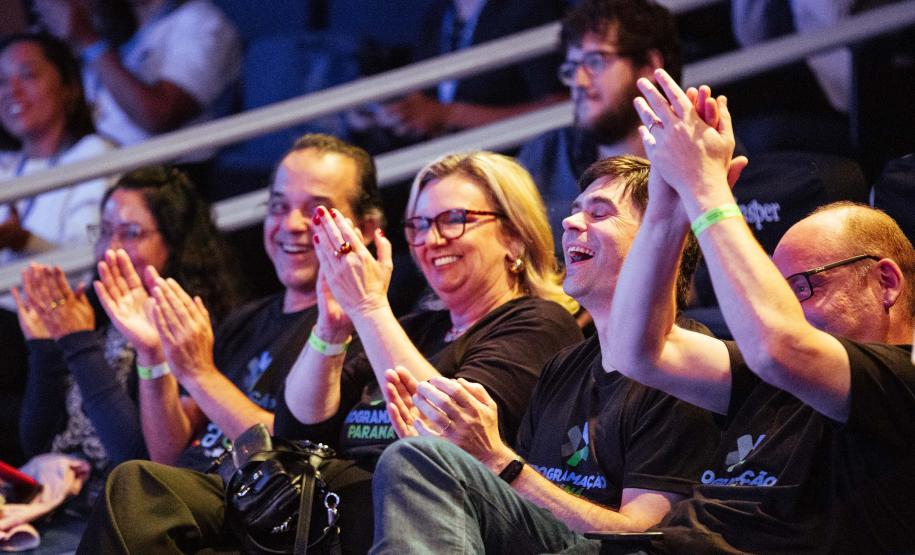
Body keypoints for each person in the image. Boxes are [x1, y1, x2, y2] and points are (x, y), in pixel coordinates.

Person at [78, 151, 583, 554]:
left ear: (515, 237)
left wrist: (368, 306)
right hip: (311, 503)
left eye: (454, 219)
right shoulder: (417, 326)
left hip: (398, 512)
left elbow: (448, 437)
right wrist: (328, 327)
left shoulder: (537, 322)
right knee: (138, 488)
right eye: (419, 224)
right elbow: (299, 430)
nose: (431, 239)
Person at [603, 69, 915, 552]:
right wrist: (670, 204)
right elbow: (640, 351)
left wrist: (707, 188)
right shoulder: (772, 377)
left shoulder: (900, 379)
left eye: (802, 286)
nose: (781, 307)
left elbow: (778, 346)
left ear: (886, 281)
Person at [371, 149, 743, 552]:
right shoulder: (564, 366)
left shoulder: (691, 373)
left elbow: (643, 538)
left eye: (599, 213)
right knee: (420, 460)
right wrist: (463, 458)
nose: (568, 222)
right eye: (574, 210)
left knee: (418, 461)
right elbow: (522, 508)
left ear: (661, 235)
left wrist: (498, 462)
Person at [9, 165, 237, 548]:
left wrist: (77, 343)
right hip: (51, 505)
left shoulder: (192, 329)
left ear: (174, 244)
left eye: (131, 233)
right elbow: (38, 441)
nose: (111, 248)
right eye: (106, 231)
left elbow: (139, 457)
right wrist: (45, 350)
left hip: (115, 519)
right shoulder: (92, 313)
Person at [517, 0, 680, 250]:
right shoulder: (545, 158)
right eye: (572, 69)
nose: (579, 81)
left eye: (595, 62)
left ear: (649, 65)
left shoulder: (701, 153)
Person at [34, 0, 241, 152]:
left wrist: (88, 40)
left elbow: (158, 117)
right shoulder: (119, 35)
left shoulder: (200, 21)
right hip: (105, 171)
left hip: (170, 179)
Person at [378, 0, 567, 144]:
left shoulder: (531, 8)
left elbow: (560, 107)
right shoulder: (437, 16)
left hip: (509, 165)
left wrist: (451, 115)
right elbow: (423, 99)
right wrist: (396, 114)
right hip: (445, 160)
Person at [0, 33, 114, 264]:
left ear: (68, 88)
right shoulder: (4, 166)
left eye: (27, 75)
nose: (11, 90)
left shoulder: (95, 155)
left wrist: (24, 241)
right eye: (1, 81)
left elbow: (92, 264)